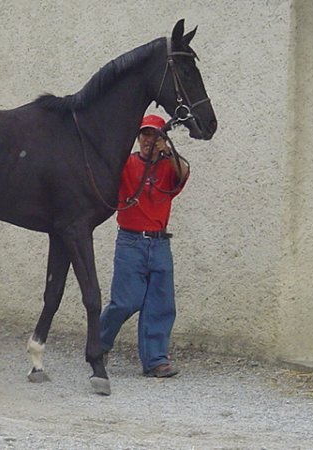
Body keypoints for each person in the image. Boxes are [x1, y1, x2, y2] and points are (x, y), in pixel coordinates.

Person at [100, 114, 189, 377]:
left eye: (156, 135)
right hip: (130, 241)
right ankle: (100, 344)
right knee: (125, 301)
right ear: (138, 138)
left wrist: (168, 151)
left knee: (160, 304)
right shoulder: (125, 164)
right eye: (145, 135)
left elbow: (183, 172)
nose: (149, 141)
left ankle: (155, 360)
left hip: (159, 243)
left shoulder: (169, 166)